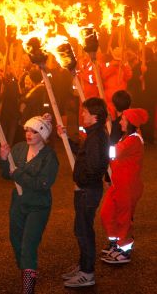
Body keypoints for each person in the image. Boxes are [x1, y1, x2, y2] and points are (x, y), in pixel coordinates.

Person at [0, 114, 59, 294]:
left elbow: (42, 183)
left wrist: (17, 174)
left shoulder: (49, 157)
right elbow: (5, 174)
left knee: (29, 244)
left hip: (38, 206)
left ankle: (28, 287)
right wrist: (3, 159)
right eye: (27, 130)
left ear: (43, 135)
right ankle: (27, 270)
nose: (29, 134)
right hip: (18, 202)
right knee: (15, 239)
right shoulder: (18, 149)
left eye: (34, 131)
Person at [59, 97, 109, 288]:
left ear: (94, 116)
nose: (82, 114)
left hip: (87, 191)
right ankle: (82, 266)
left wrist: (81, 183)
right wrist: (66, 139)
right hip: (86, 189)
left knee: (84, 231)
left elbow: (95, 166)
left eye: (85, 112)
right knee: (81, 229)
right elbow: (83, 153)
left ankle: (87, 273)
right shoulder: (94, 134)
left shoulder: (97, 137)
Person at [100, 108, 148, 264]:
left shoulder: (133, 139)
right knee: (107, 213)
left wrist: (99, 140)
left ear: (130, 123)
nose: (120, 122)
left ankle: (124, 250)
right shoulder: (127, 137)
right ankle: (116, 243)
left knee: (123, 219)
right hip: (119, 185)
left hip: (128, 187)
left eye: (123, 120)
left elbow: (113, 153)